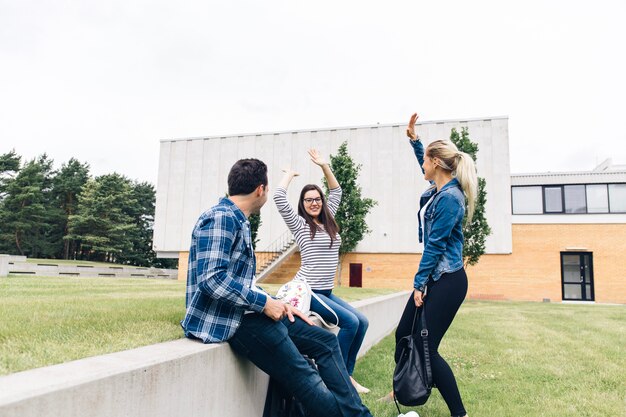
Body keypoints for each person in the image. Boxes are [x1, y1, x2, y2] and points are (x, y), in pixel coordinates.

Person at [181, 158, 372, 417]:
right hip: (232, 320)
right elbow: (212, 280)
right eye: (268, 188)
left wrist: (278, 303)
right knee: (305, 375)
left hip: (247, 312)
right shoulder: (221, 218)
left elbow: (241, 283)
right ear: (261, 189)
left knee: (326, 341)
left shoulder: (237, 219)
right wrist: (264, 304)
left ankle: (359, 413)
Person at [390, 114, 477, 417]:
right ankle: (413, 382)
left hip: (448, 280)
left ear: (437, 163)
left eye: (426, 160)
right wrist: (415, 142)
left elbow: (436, 246)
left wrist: (418, 284)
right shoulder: (438, 189)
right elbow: (425, 166)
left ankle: (458, 412)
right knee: (404, 335)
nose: (423, 166)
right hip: (437, 278)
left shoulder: (450, 198)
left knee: (426, 348)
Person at [273, 149, 371, 394]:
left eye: (317, 198)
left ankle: (347, 375)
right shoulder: (300, 225)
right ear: (303, 204)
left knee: (363, 322)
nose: (314, 202)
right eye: (308, 200)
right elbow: (278, 196)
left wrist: (324, 166)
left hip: (327, 291)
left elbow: (336, 191)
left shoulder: (328, 221)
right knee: (349, 323)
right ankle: (336, 376)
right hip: (310, 290)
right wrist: (290, 175)